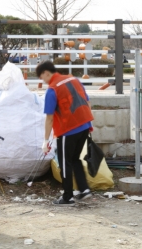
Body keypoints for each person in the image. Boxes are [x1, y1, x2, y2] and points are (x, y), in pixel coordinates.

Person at [36, 61, 93, 206]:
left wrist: (45, 141)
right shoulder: (74, 79)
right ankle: (84, 189)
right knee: (75, 159)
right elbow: (87, 101)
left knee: (65, 162)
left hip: (68, 129)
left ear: (46, 73)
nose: (43, 81)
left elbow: (49, 118)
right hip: (85, 125)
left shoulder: (52, 90)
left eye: (42, 77)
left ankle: (67, 196)